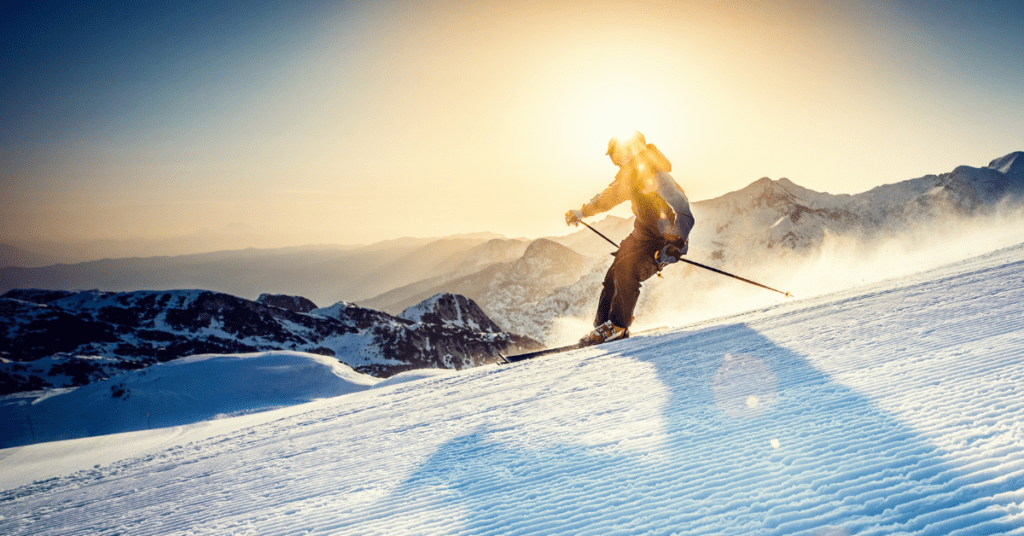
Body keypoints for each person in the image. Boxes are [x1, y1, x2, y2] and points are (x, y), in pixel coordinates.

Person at [566, 131, 695, 345]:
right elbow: (606, 199)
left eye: (617, 157)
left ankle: (618, 326)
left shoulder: (658, 177)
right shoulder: (630, 179)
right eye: (614, 160)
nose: (617, 163)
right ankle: (602, 326)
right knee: (613, 274)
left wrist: (677, 242)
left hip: (665, 242)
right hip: (641, 236)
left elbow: (684, 212)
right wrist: (581, 212)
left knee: (627, 270)